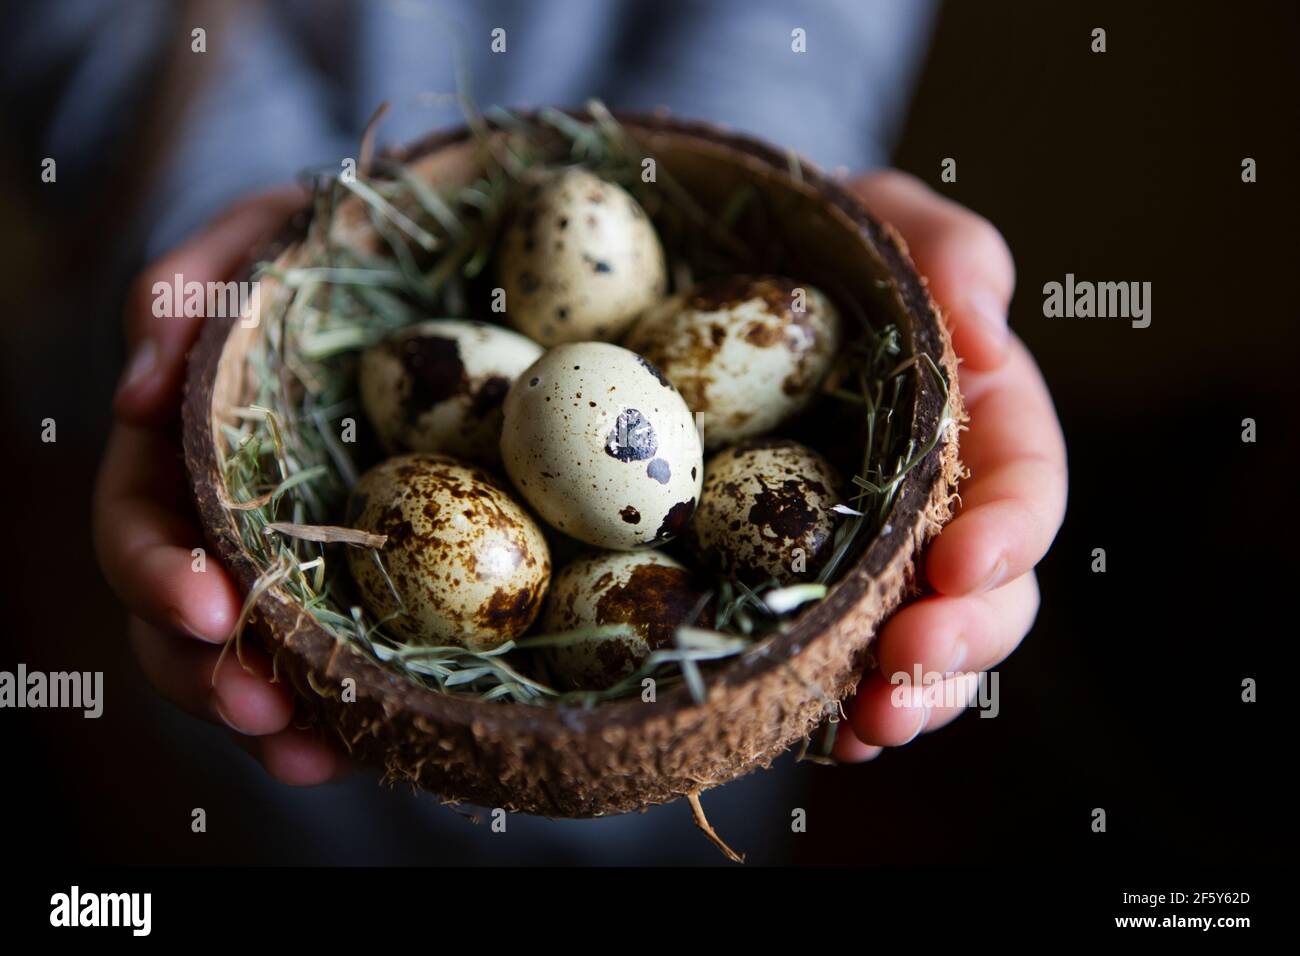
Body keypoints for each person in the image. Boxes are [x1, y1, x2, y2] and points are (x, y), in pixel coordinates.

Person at [77, 0, 1065, 859]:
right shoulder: (534, 425)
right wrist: (213, 200)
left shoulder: (654, 470)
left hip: (697, 775)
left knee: (687, 813)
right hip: (290, 759)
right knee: (289, 807)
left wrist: (760, 136)